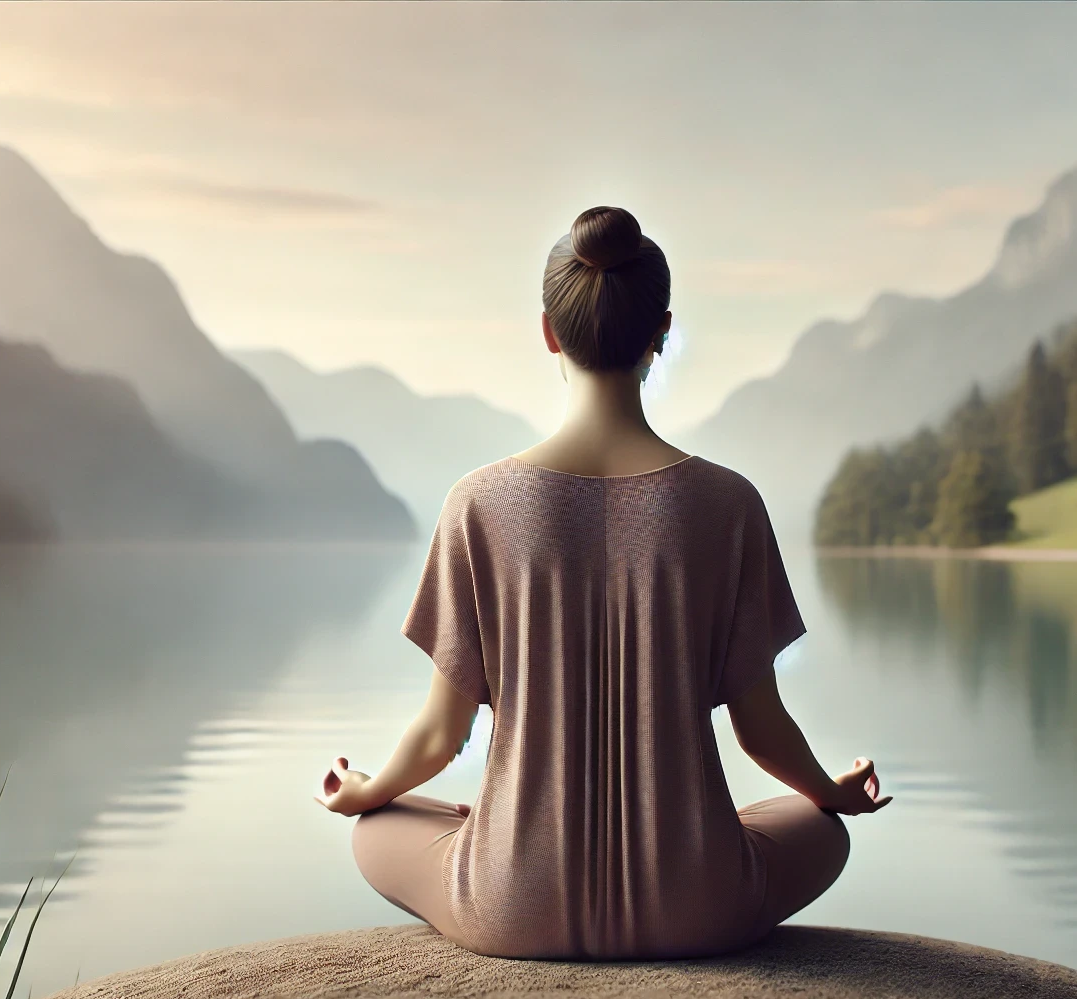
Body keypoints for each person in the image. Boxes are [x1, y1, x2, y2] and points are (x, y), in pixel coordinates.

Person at [315, 206, 891, 960]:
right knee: (818, 827)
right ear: (662, 330)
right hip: (701, 905)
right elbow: (762, 729)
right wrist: (833, 792)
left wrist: (368, 789)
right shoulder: (728, 504)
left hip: (510, 906)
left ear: (550, 331)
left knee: (384, 824)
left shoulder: (476, 505)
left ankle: (484, 835)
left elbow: (440, 734)